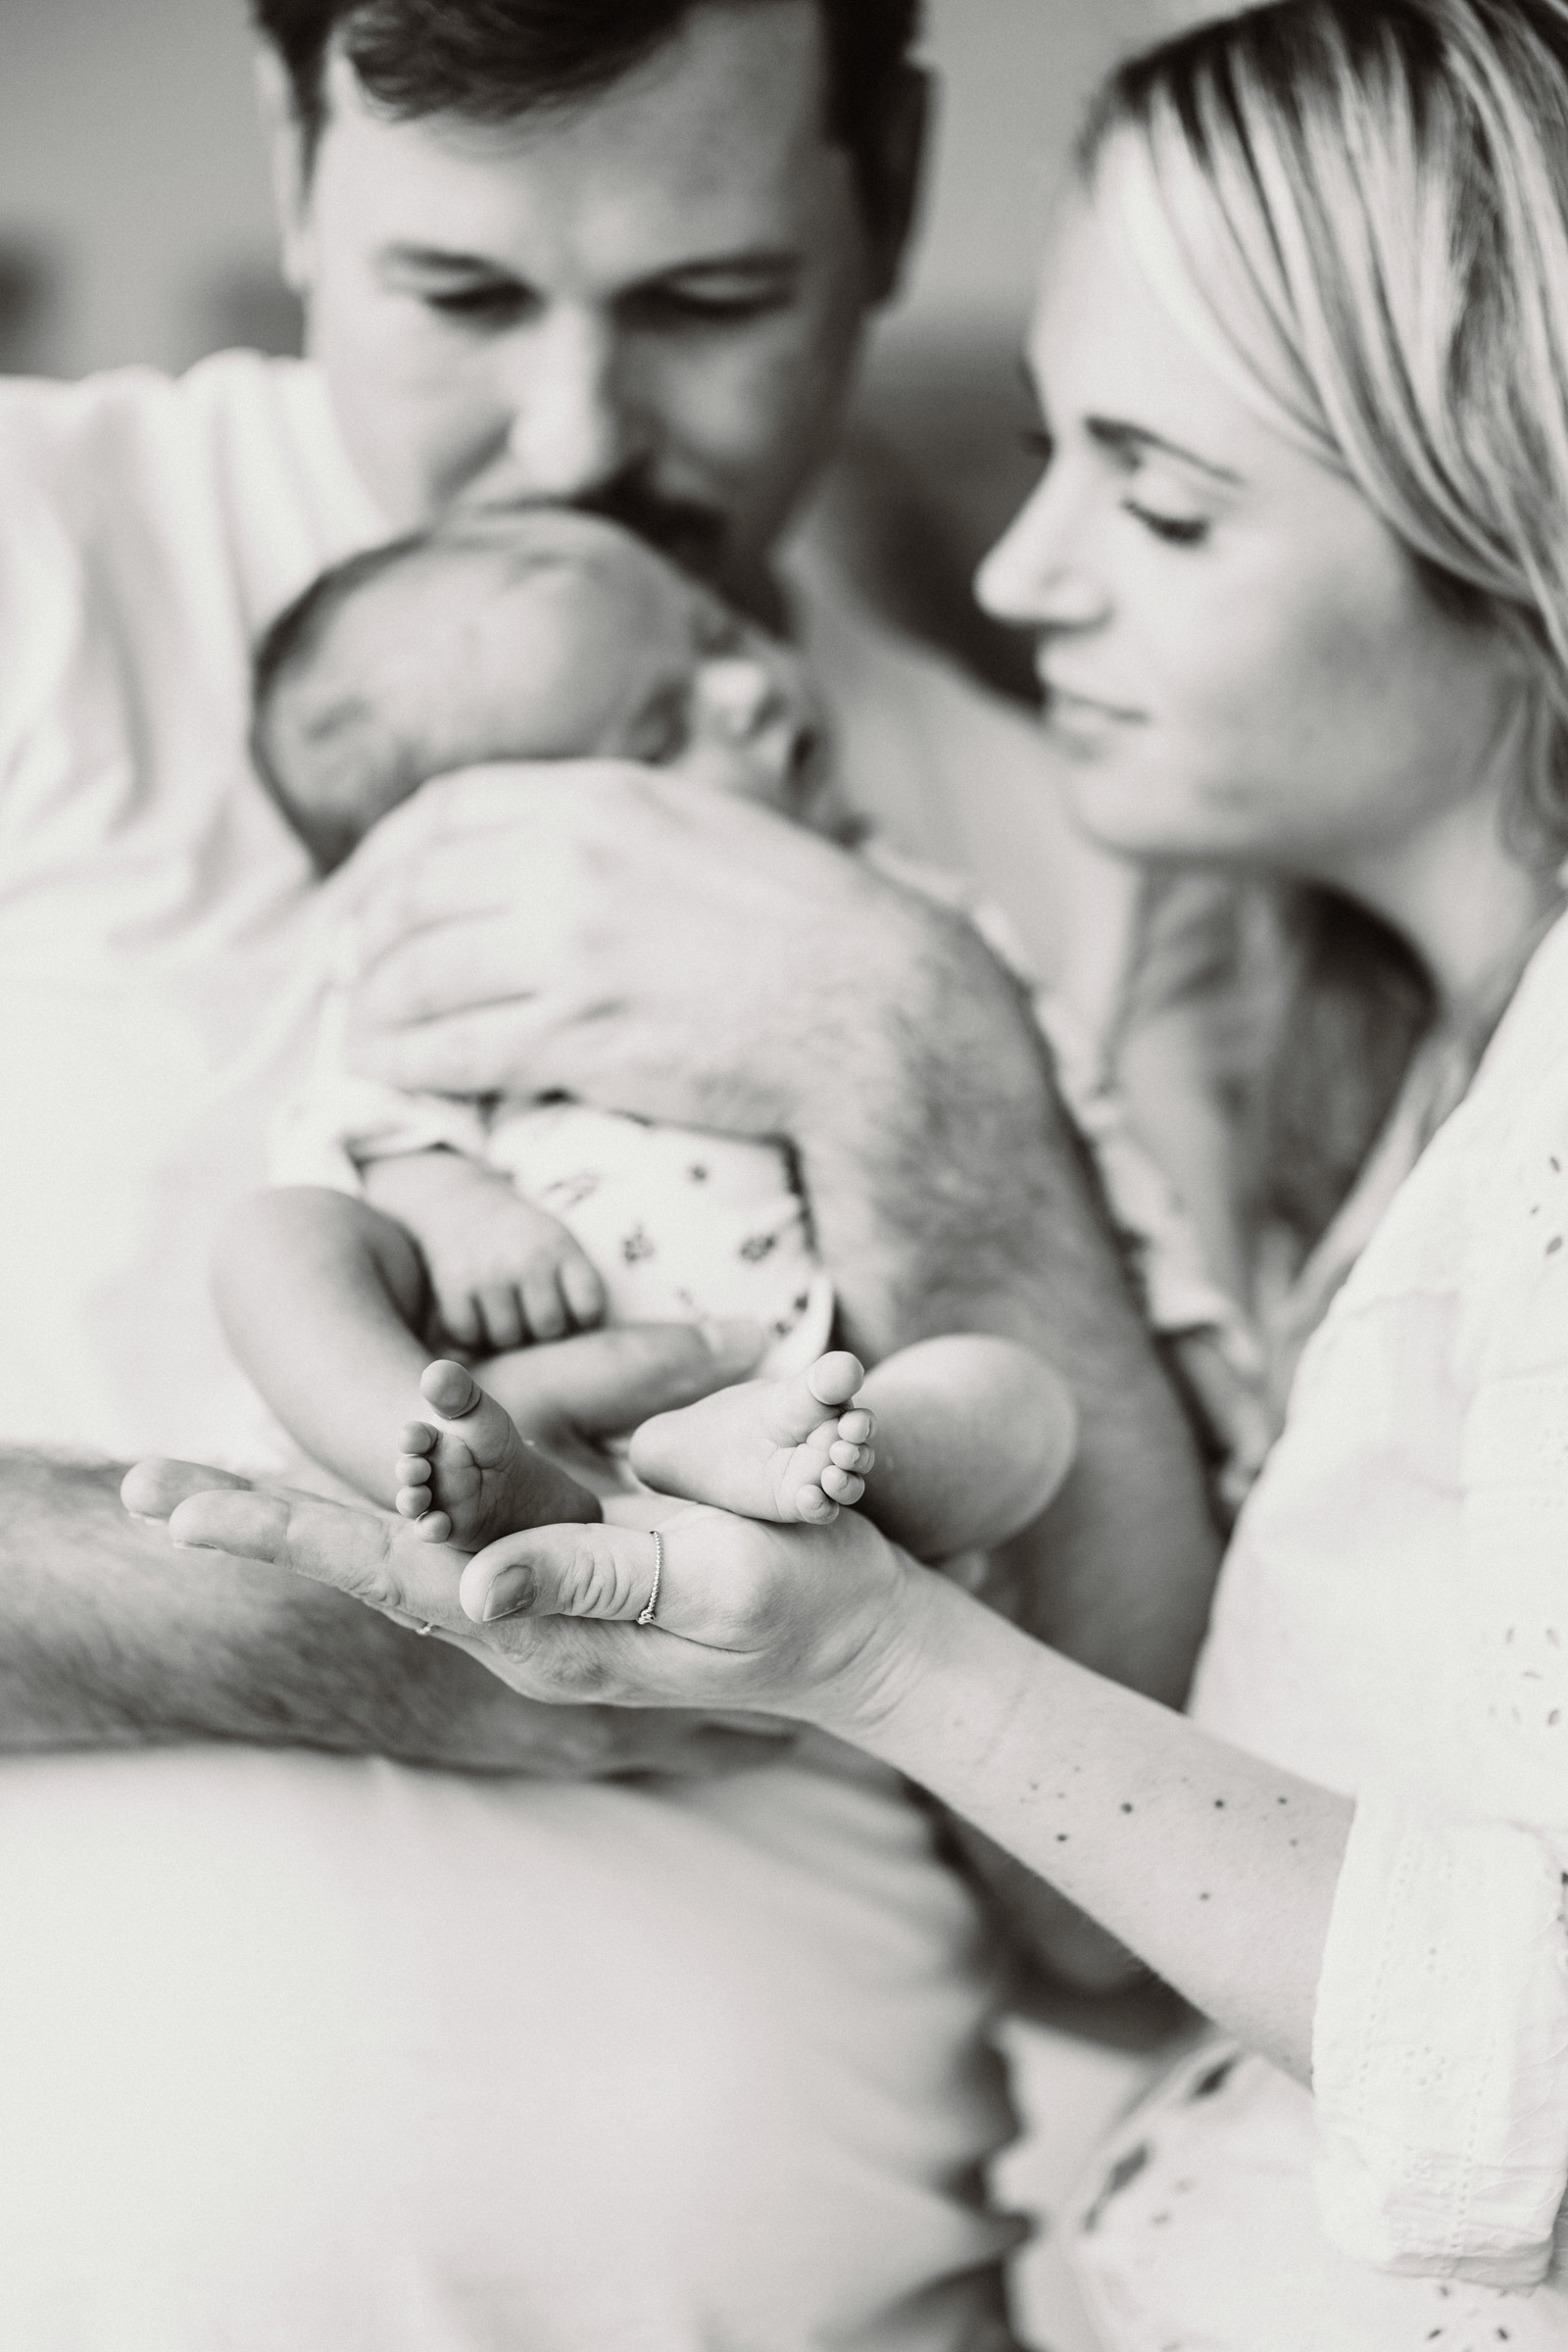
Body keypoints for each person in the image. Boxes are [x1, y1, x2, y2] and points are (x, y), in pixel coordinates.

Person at [139, 1, 1568, 2344]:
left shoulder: (1072, 895)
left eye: (1159, 493)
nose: (1013, 576)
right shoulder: (1349, 1046)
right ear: (293, 176)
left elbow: (1293, 1936)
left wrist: (871, 1632)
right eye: (460, 289)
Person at [0, 2, 1222, 2345]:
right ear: (292, 157)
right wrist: (372, 1636)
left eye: (708, 299)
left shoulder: (1084, 842)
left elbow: (1126, 1932)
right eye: (459, 294)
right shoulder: (40, 575)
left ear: (883, 190)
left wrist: (916, 1063)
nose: (572, 434)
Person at [227, 507, 1076, 1552]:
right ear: (482, 843)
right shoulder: (461, 964)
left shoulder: (915, 917)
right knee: (276, 1241)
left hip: (808, 1403)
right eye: (658, 736)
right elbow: (348, 1115)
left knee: (1017, 1397)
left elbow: (1079, 1135)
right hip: (513, 1379)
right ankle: (431, 1449)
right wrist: (442, 1195)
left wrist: (1199, 1340)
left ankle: (771, 1468)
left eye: (720, 630)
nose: (748, 686)